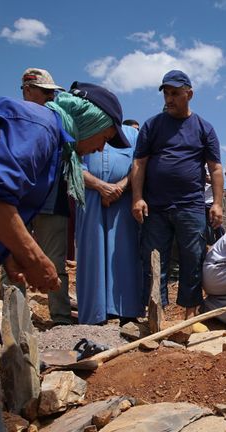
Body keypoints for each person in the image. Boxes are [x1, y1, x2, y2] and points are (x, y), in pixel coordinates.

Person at [0, 82, 129, 431]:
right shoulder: (38, 125)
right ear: (90, 120)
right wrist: (34, 257)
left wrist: (8, 255)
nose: (100, 147)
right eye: (104, 137)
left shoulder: (49, 139)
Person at [131, 70, 223, 321]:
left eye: (175, 93)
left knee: (192, 258)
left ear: (189, 94)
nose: (169, 99)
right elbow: (139, 163)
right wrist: (137, 198)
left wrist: (216, 203)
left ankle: (190, 316)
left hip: (191, 206)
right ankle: (156, 314)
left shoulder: (204, 128)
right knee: (154, 260)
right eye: (166, 93)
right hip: (156, 207)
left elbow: (215, 168)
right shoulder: (152, 125)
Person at [20, 68, 73, 325]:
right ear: (28, 90)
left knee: (56, 263)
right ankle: (15, 316)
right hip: (20, 201)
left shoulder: (57, 119)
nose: (50, 99)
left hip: (53, 201)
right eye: (45, 93)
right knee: (13, 259)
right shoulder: (16, 121)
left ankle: (61, 318)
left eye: (52, 94)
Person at [76, 124, 144, 324]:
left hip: (124, 200)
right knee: (92, 252)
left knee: (124, 253)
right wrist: (100, 186)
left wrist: (118, 188)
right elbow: (72, 163)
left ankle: (127, 311)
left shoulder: (132, 134)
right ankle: (94, 315)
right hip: (89, 197)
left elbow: (138, 164)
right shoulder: (80, 130)